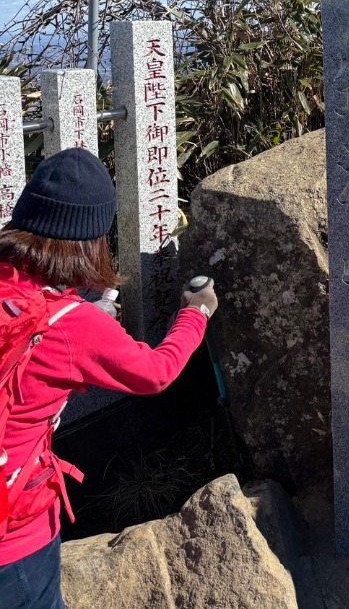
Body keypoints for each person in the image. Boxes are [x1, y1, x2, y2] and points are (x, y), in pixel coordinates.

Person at [0, 148, 217, 609]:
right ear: (91, 238)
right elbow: (155, 373)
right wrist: (195, 314)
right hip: (13, 539)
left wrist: (81, 313)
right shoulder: (75, 328)